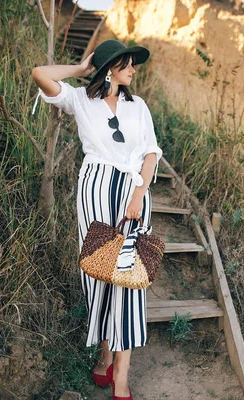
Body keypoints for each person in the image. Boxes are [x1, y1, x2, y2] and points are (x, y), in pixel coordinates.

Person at [32, 39, 162, 400]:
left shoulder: (139, 107)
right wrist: (81, 70)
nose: (134, 70)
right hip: (94, 193)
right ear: (110, 67)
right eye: (128, 63)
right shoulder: (80, 100)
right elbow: (39, 74)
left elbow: (151, 154)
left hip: (132, 194)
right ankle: (104, 354)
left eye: (134, 64)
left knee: (129, 277)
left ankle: (122, 372)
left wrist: (139, 195)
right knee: (99, 273)